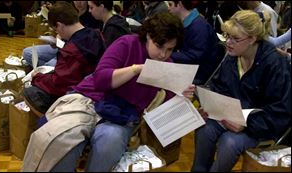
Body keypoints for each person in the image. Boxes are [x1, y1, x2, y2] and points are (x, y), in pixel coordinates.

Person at [22, 12, 194, 172]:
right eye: (159, 46)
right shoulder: (128, 43)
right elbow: (101, 79)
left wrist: (181, 96)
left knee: (109, 143)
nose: (163, 54)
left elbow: (163, 107)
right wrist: (135, 70)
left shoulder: (167, 67)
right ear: (148, 36)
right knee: (60, 139)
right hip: (90, 99)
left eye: (170, 49)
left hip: (122, 115)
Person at [191, 10, 291, 172]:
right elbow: (219, 87)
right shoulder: (233, 57)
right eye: (227, 35)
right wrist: (210, 106)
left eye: (235, 38)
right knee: (204, 129)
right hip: (231, 117)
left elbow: (280, 113)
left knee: (229, 142)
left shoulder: (275, 65)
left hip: (261, 126)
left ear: (252, 39)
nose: (228, 42)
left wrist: (247, 124)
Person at [22, 1, 105, 116]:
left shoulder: (71, 51)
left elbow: (58, 85)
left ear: (60, 25)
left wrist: (37, 78)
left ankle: (50, 118)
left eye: (56, 29)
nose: (58, 32)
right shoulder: (96, 34)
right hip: (94, 84)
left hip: (80, 94)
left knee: (29, 91)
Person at [22, 1, 103, 68]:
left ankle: (52, 70)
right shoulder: (70, 10)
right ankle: (52, 70)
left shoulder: (92, 15)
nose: (79, 3)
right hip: (63, 47)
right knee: (28, 52)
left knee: (49, 68)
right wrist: (58, 40)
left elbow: (82, 43)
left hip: (72, 50)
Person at [168, 1, 219, 85]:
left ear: (179, 4)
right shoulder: (188, 22)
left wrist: (169, 54)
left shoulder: (199, 27)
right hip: (190, 68)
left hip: (198, 75)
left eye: (170, 4)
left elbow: (195, 56)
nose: (168, 8)